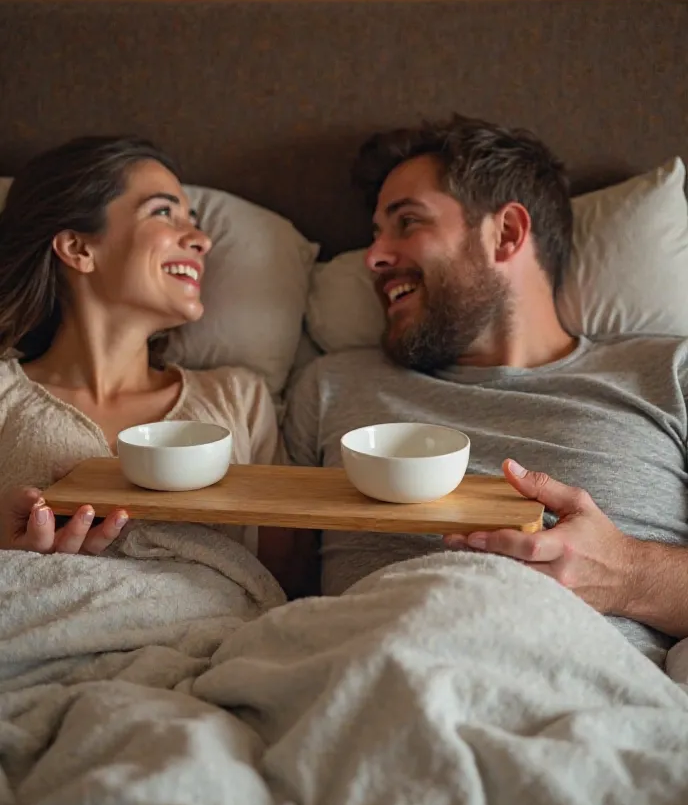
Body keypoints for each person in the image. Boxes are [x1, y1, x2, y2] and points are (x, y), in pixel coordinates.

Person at [284, 113, 688, 666]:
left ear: (506, 234)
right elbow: (271, 594)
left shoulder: (670, 374)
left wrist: (629, 574)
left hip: (581, 705)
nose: (373, 258)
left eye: (406, 223)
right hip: (373, 683)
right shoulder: (330, 387)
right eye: (375, 233)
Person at [0, 135, 311, 598]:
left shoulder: (237, 398)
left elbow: (291, 585)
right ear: (78, 248)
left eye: (196, 221)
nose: (202, 241)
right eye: (164, 212)